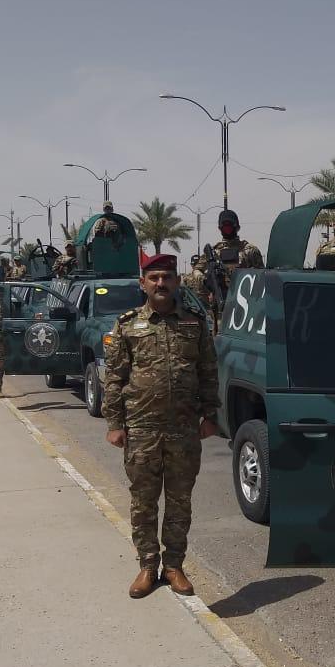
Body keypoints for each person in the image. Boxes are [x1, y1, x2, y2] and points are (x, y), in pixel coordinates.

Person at [103, 253, 219, 599]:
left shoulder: (195, 324)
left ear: (177, 282)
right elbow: (115, 377)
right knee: (143, 502)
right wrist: (114, 423)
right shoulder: (127, 325)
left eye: (167, 277)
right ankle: (147, 566)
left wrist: (210, 415)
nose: (161, 284)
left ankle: (174, 566)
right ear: (143, 284)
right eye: (153, 278)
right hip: (141, 428)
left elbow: (208, 372)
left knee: (180, 501)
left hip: (184, 428)